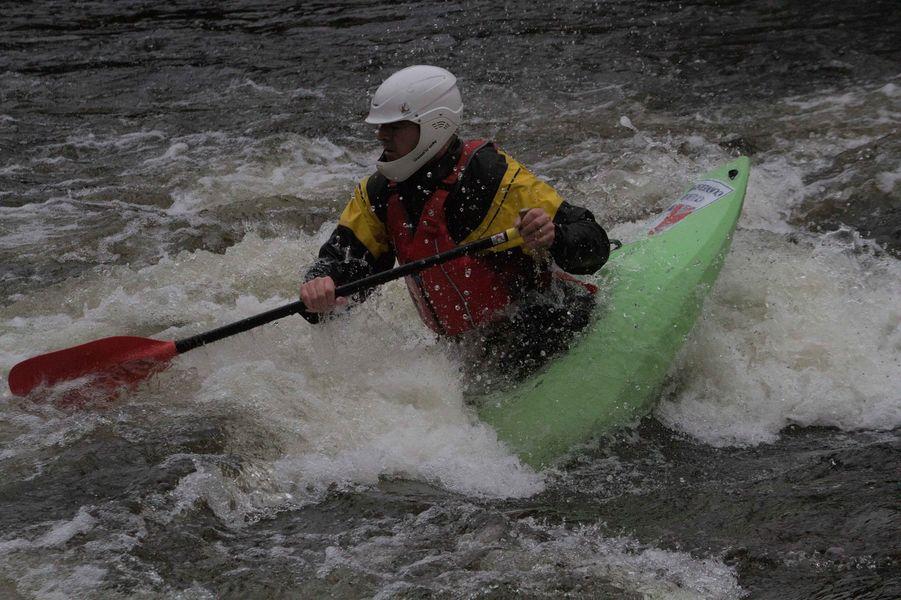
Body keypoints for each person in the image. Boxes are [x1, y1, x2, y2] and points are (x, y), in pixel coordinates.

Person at [300, 65, 610, 387]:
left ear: (434, 125)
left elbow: (593, 243)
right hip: (470, 352)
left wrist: (553, 236)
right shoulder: (379, 193)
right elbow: (344, 265)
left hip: (545, 326)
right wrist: (320, 286)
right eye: (380, 126)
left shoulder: (488, 177)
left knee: (526, 334)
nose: (381, 135)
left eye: (395, 126)